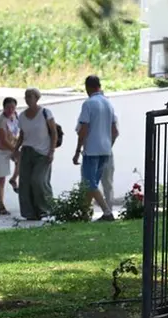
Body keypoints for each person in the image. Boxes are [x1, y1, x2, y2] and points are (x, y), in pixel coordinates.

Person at [72, 76, 118, 222]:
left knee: (89, 183)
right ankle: (85, 213)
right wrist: (108, 144)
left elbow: (83, 129)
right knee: (92, 184)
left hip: (91, 149)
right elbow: (115, 130)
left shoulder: (88, 104)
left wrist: (78, 150)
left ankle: (107, 212)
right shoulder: (108, 103)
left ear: (87, 87)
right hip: (105, 149)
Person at [15, 88, 57, 221]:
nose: (27, 99)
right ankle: (30, 212)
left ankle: (47, 209)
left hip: (43, 152)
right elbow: (21, 135)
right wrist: (15, 149)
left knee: (38, 181)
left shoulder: (45, 113)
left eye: (30, 96)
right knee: (25, 183)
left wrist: (51, 151)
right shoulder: (22, 115)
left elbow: (54, 132)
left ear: (36, 98)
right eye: (26, 96)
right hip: (27, 151)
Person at [0, 97, 20, 215]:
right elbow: (3, 140)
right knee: (1, 178)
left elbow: (17, 132)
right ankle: (1, 205)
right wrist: (15, 150)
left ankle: (14, 179)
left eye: (13, 107)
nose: (10, 110)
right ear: (3, 108)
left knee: (22, 159)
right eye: (8, 107)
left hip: (10, 147)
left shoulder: (16, 116)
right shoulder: (1, 120)